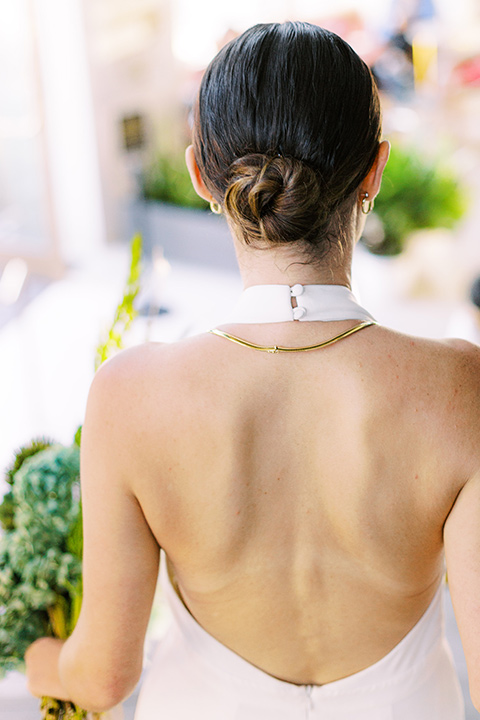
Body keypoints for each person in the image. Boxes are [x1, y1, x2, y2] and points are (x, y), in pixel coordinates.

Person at [25, 21, 480, 719]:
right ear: (375, 171)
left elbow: (103, 676)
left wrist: (36, 655)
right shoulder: (459, 389)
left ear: (201, 175)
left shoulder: (130, 398)